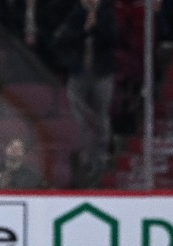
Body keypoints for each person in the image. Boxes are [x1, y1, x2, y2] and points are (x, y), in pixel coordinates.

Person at [53, 0, 117, 188]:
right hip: (78, 72)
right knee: (76, 115)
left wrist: (95, 27)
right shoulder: (75, 13)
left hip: (102, 73)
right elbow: (63, 39)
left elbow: (113, 38)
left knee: (101, 116)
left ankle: (100, 159)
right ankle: (84, 158)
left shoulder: (107, 12)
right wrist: (83, 29)